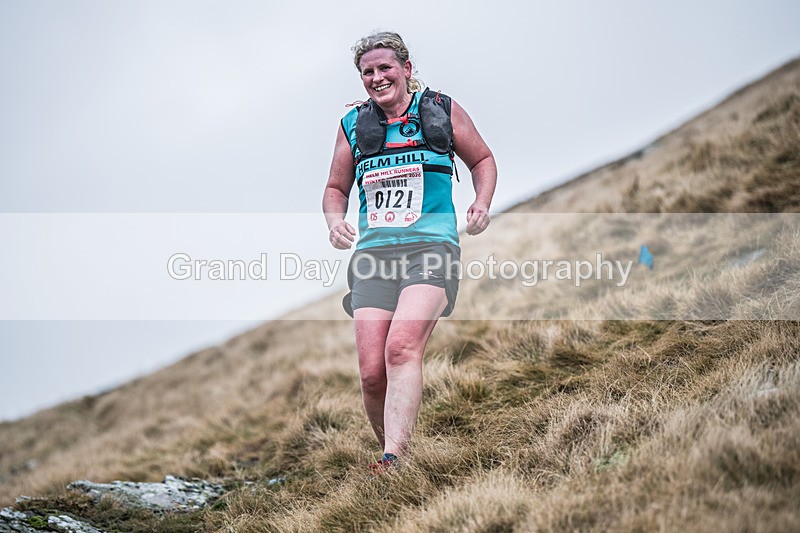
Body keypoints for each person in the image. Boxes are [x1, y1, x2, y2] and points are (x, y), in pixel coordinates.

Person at [322, 31, 496, 469]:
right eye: (368, 72)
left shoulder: (440, 110)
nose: (377, 78)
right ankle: (396, 452)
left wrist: (481, 202)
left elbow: (482, 160)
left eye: (385, 68)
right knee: (371, 373)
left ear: (406, 69)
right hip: (374, 259)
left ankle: (393, 458)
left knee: (400, 348)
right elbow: (335, 188)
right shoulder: (352, 125)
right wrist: (335, 222)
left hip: (431, 251)